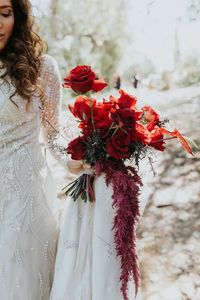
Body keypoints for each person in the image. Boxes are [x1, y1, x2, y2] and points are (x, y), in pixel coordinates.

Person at [0, 0, 81, 299]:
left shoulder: (41, 66)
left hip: (26, 193)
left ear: (17, 17)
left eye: (5, 13)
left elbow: (54, 132)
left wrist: (76, 162)